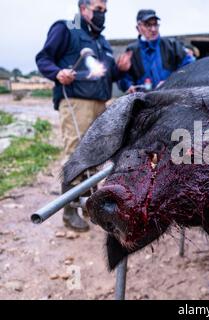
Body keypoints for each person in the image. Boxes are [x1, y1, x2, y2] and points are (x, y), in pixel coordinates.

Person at [35, 0, 132, 232]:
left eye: (105, 11)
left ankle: (90, 207)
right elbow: (43, 59)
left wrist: (120, 70)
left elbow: (107, 74)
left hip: (100, 103)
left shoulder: (101, 42)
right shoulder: (66, 29)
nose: (102, 15)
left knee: (95, 157)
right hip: (76, 101)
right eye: (98, 10)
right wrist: (57, 72)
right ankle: (69, 213)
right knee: (75, 156)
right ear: (83, 8)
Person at [118, 9, 195, 93]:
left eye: (155, 24)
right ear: (138, 28)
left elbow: (190, 66)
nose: (153, 29)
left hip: (171, 98)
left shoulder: (172, 45)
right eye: (148, 25)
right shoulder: (131, 51)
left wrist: (171, 82)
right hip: (144, 101)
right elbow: (124, 78)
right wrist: (128, 85)